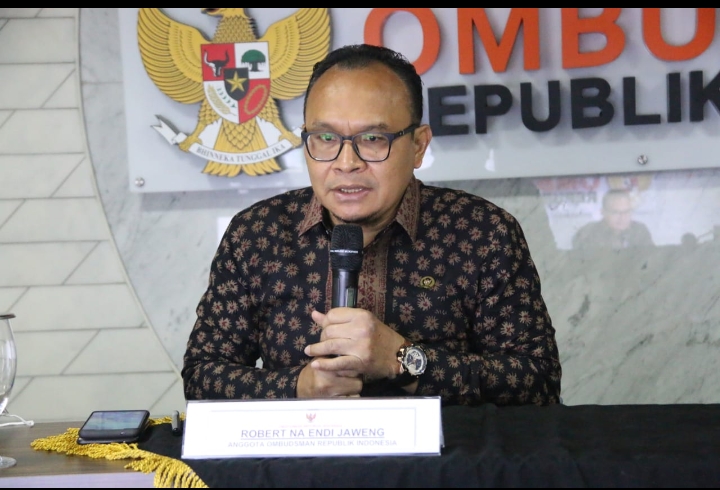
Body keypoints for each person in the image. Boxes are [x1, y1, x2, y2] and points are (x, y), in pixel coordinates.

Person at [182, 44, 562, 406]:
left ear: (418, 145)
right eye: (326, 138)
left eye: (373, 139)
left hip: (445, 453)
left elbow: (538, 383)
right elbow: (202, 376)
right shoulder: (256, 234)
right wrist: (299, 387)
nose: (347, 163)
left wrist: (404, 359)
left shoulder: (483, 232)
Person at [572, 189, 654, 250]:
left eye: (626, 212)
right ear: (603, 212)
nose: (622, 217)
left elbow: (651, 260)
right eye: (615, 212)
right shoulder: (587, 234)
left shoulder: (640, 231)